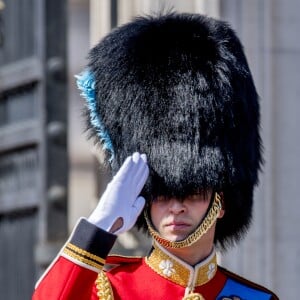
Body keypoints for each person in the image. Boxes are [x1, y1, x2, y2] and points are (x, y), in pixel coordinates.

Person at [32, 12, 279, 300]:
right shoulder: (108, 290)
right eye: (160, 195)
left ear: (220, 203)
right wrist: (97, 228)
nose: (176, 207)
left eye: (194, 192)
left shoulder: (255, 298)